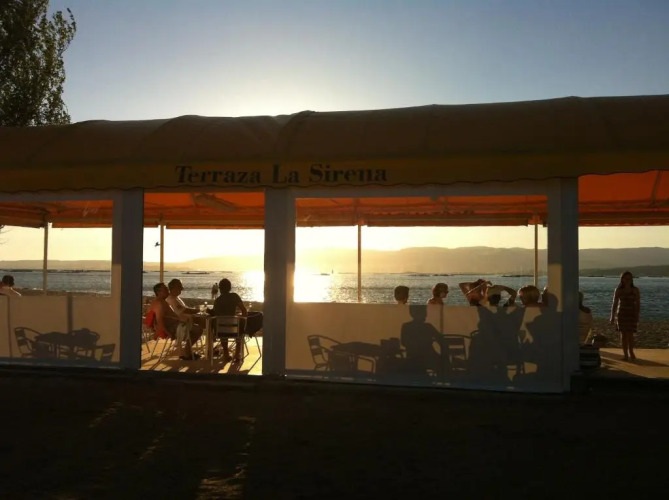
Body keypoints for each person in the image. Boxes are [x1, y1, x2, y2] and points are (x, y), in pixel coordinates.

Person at [210, 278, 263, 362]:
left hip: (220, 331)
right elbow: (244, 311)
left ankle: (226, 354)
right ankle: (237, 354)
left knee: (223, 327)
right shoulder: (234, 296)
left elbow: (216, 314)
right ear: (230, 288)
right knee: (240, 327)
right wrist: (239, 317)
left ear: (220, 288)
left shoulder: (217, 301)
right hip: (234, 330)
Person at [149, 282, 202, 360]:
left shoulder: (160, 302)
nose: (168, 290)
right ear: (159, 292)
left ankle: (188, 351)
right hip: (173, 328)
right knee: (198, 329)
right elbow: (159, 321)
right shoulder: (160, 304)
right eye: (165, 289)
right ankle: (187, 353)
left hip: (175, 325)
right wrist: (168, 333)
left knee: (195, 326)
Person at [610, 271, 640, 361]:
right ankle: (625, 355)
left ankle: (631, 352)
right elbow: (615, 304)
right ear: (622, 279)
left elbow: (638, 303)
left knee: (630, 335)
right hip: (621, 314)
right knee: (623, 335)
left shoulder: (635, 290)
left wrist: (637, 314)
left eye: (630, 279)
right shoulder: (618, 290)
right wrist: (612, 316)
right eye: (626, 278)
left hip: (631, 314)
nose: (628, 280)